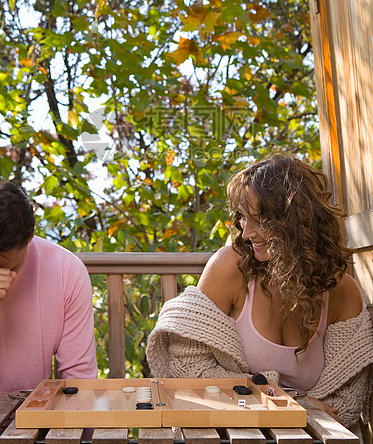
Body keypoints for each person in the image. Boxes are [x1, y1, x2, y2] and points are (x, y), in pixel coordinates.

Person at [146, 155, 373, 438]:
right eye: (242, 217)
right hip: (228, 434)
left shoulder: (339, 289)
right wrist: (286, 403)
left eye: (261, 221)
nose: (245, 233)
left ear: (299, 224)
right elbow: (188, 369)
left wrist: (291, 413)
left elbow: (349, 398)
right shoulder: (230, 268)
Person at [0, 179, 98, 424]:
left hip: (35, 420)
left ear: (30, 238)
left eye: (7, 270)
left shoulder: (66, 270)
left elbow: (78, 378)